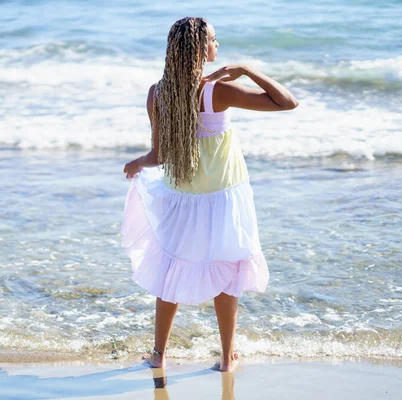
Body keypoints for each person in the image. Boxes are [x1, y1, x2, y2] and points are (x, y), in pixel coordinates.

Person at [120, 17, 299, 372]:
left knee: (171, 270)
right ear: (202, 50)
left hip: (181, 197)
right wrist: (247, 69)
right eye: (215, 39)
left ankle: (158, 354)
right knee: (227, 273)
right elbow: (287, 102)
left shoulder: (158, 93)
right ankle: (227, 357)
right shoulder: (216, 92)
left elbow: (160, 156)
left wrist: (137, 163)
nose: (218, 45)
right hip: (223, 197)